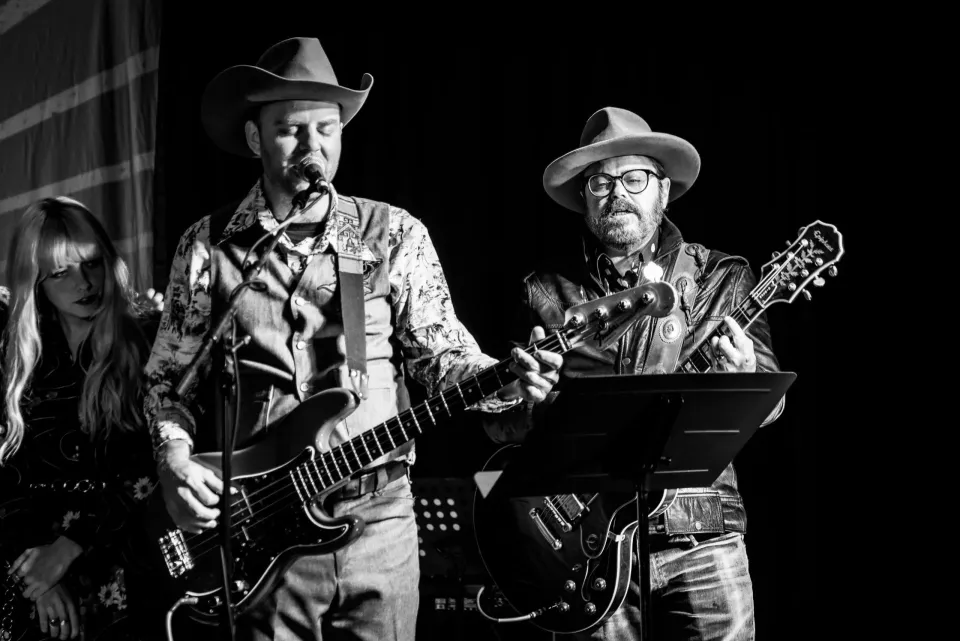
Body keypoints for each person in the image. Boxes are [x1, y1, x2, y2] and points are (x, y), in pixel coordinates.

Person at [144, 37, 562, 641]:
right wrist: (174, 460)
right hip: (261, 528)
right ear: (257, 139)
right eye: (291, 130)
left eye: (326, 129)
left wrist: (510, 381)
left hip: (380, 518)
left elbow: (445, 360)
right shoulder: (207, 246)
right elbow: (164, 382)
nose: (313, 147)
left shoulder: (394, 234)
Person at [483, 107, 786, 641]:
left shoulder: (722, 276)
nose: (617, 191)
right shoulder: (543, 291)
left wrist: (746, 378)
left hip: (703, 537)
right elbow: (499, 427)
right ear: (584, 198)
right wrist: (526, 402)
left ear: (663, 191)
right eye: (600, 181)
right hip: (587, 549)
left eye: (635, 177)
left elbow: (770, 404)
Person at [0, 197, 164, 640]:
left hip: (128, 556)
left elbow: (155, 462)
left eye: (91, 263)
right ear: (35, 282)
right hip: (33, 568)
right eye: (60, 273)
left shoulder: (150, 337)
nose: (85, 282)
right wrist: (38, 574)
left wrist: (71, 546)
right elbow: (5, 473)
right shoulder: (18, 355)